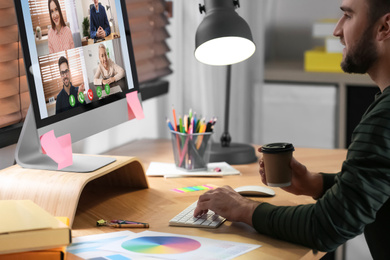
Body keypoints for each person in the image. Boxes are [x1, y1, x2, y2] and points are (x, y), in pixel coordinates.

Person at [194, 0, 390, 259]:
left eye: (348, 16)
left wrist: (243, 208)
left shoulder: (383, 120)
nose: (337, 30)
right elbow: (377, 186)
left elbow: (327, 226)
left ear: (384, 27)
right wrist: (316, 183)